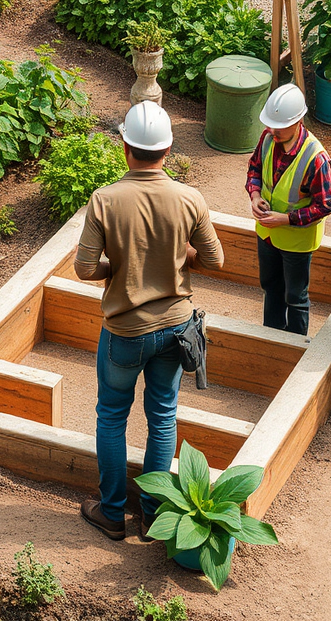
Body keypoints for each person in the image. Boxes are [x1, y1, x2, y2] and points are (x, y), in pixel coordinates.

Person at [75, 101, 224, 541]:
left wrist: (119, 267)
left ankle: (112, 511)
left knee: (111, 417)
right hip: (177, 328)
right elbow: (214, 259)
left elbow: (84, 269)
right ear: (169, 148)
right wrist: (178, 255)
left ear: (125, 147)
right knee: (162, 416)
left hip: (125, 330)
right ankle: (155, 517)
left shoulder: (105, 199)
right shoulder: (189, 198)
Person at [246, 84, 331, 337]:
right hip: (267, 234)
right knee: (270, 287)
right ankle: (272, 338)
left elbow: (325, 205)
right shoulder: (267, 138)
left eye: (280, 126)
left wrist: (286, 218)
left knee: (295, 296)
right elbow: (254, 169)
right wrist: (255, 195)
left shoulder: (316, 158)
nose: (273, 131)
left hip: (297, 242)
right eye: (271, 125)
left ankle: (295, 345)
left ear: (298, 121)